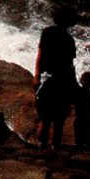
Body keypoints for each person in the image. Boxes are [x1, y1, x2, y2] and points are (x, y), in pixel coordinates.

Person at [34, 8, 78, 150]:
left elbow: (39, 56)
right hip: (62, 81)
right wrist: (74, 86)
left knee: (45, 118)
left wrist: (36, 76)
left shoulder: (47, 32)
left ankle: (41, 146)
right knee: (59, 120)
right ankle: (54, 148)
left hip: (47, 78)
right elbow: (70, 66)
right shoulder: (69, 39)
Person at [73, 70, 90, 152]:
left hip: (79, 119)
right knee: (88, 140)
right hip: (88, 120)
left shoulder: (77, 91)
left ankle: (79, 151)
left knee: (79, 141)